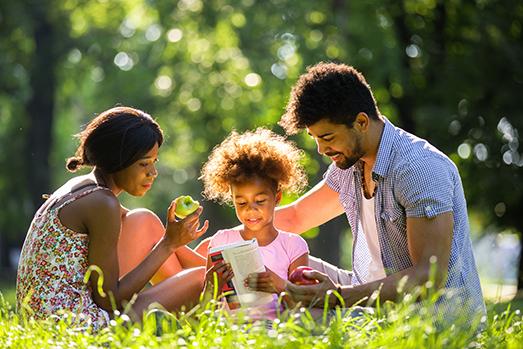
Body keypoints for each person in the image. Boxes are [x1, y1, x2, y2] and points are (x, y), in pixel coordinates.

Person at [264, 62, 486, 322]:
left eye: (327, 137)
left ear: (361, 122)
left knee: (295, 317)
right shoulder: (350, 163)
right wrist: (227, 242)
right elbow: (296, 218)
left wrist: (338, 297)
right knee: (266, 267)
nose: (321, 150)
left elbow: (429, 277)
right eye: (316, 139)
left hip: (428, 323)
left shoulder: (419, 168)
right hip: (368, 300)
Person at [16, 106, 209, 330]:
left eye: (154, 162)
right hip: (74, 331)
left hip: (46, 324)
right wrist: (168, 244)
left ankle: (230, 276)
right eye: (144, 163)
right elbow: (108, 300)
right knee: (199, 280)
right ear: (118, 159)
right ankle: (223, 310)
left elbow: (150, 231)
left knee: (144, 220)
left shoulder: (83, 188)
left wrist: (177, 241)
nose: (152, 173)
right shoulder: (102, 202)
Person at [199, 128, 310, 314]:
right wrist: (211, 286)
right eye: (241, 202)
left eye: (260, 201)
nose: (250, 209)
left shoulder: (294, 246)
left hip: (276, 332)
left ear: (277, 198)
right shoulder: (221, 242)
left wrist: (279, 285)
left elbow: (304, 307)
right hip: (231, 332)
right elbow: (205, 311)